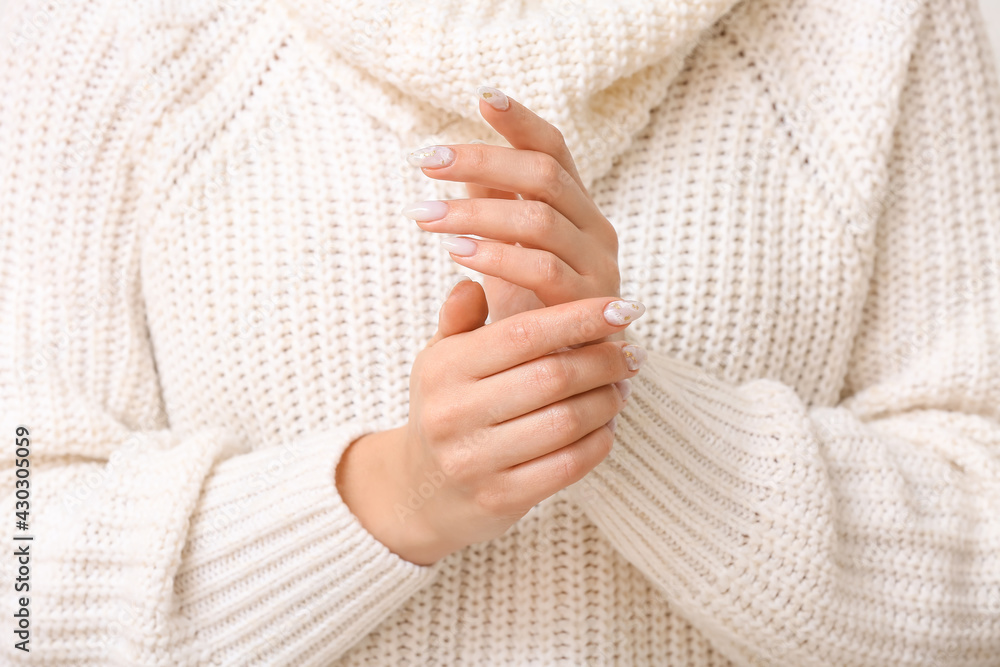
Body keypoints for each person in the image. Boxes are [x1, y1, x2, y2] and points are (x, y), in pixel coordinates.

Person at [2, 0, 999, 664]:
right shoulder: (106, 26)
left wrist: (603, 405)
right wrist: (397, 493)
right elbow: (19, 566)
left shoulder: (887, 24)